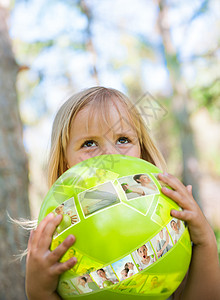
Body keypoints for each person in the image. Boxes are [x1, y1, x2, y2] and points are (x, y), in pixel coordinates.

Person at [25, 86, 220, 300]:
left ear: (142, 152)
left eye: (123, 140)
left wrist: (205, 242)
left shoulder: (166, 222)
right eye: (89, 143)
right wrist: (39, 291)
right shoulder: (54, 241)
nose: (110, 153)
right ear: (65, 164)